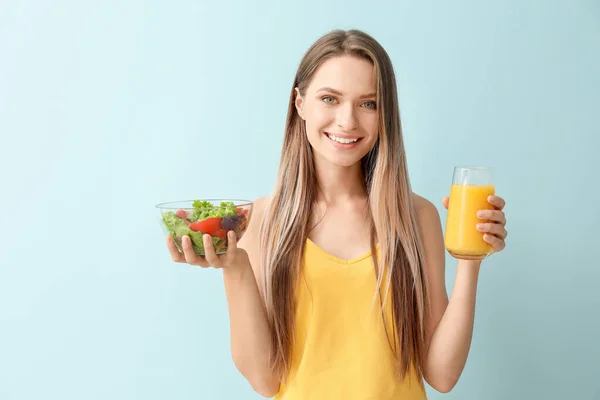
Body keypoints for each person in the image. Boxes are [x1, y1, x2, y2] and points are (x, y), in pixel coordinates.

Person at [166, 29, 508, 399]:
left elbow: (441, 375)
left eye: (368, 104)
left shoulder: (416, 216)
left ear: (385, 114)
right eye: (330, 98)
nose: (347, 121)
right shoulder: (262, 218)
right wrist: (235, 267)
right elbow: (266, 381)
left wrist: (471, 258)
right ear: (299, 104)